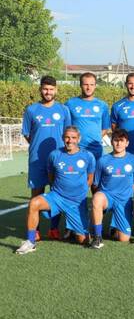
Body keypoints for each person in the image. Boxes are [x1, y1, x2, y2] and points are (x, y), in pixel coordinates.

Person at [15, 126, 95, 254]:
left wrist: (80, 192)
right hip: (57, 197)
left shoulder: (88, 156)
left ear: (79, 139)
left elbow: (90, 178)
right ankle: (30, 241)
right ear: (63, 138)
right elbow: (51, 177)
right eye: (67, 137)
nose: (70, 141)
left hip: (76, 202)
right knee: (34, 203)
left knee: (83, 240)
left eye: (73, 138)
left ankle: (79, 226)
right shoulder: (54, 155)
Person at [21, 76, 72, 239]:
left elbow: (68, 134)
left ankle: (53, 228)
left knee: (56, 193)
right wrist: (38, 146)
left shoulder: (63, 110)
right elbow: (28, 134)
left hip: (58, 159)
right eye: (45, 89)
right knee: (36, 194)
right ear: (40, 90)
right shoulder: (31, 110)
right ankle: (34, 230)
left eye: (51, 89)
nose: (48, 92)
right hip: (37, 159)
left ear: (56, 90)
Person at [89, 129, 134, 249]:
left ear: (127, 143)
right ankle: (97, 236)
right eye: (116, 140)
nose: (118, 144)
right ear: (111, 142)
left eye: (121, 141)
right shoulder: (103, 160)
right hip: (107, 196)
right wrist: (98, 202)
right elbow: (95, 184)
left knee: (123, 239)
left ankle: (114, 228)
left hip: (124, 200)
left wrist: (125, 193)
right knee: (97, 198)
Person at [66, 72, 111, 160]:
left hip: (96, 150)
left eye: (91, 84)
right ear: (80, 85)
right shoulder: (70, 104)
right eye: (85, 84)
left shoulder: (102, 105)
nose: (88, 87)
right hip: (76, 150)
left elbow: (105, 128)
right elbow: (66, 127)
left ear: (95, 86)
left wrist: (94, 139)